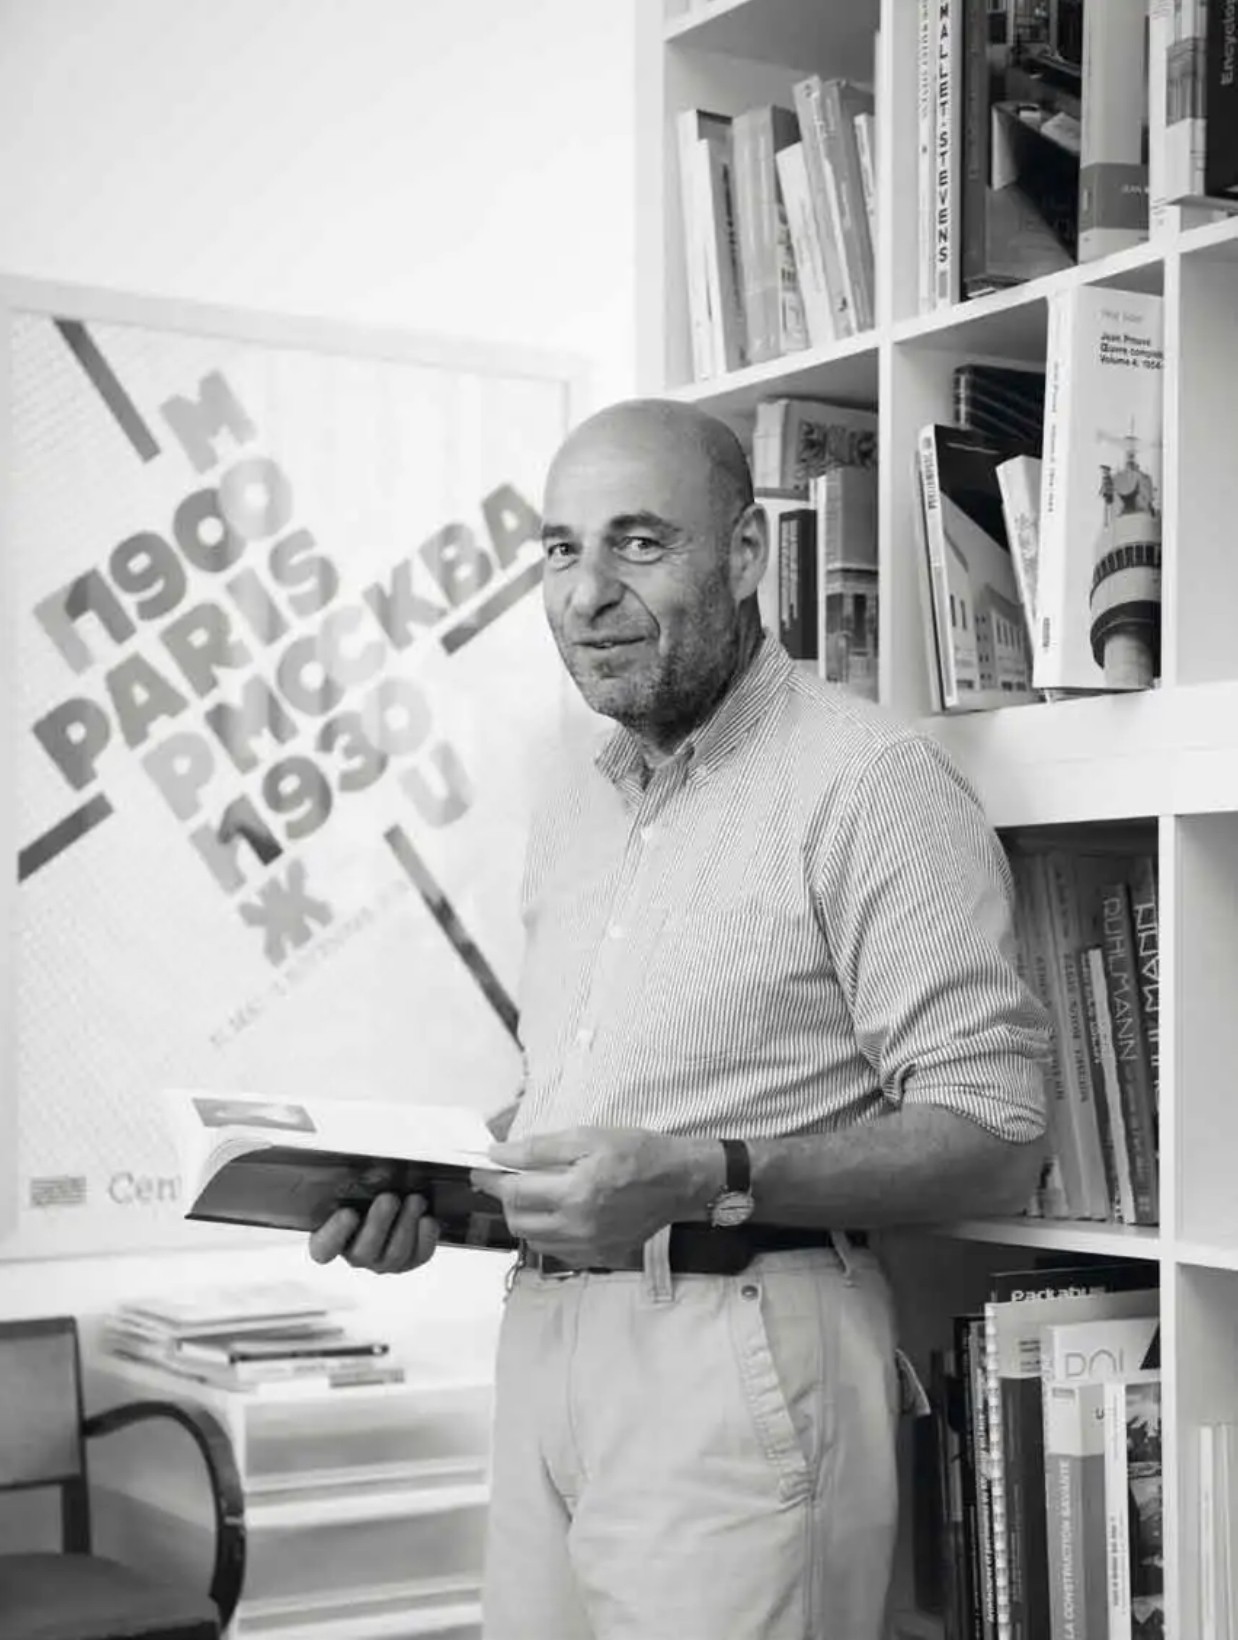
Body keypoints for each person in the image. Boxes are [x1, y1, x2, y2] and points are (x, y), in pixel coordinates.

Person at [309, 399, 1051, 1640]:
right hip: (543, 1345)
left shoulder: (866, 781)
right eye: (560, 550)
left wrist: (708, 1175)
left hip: (738, 1349)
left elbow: (997, 1133)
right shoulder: (573, 799)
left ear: (746, 553)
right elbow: (602, 1119)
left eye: (639, 543)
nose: (586, 592)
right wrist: (441, 1195)